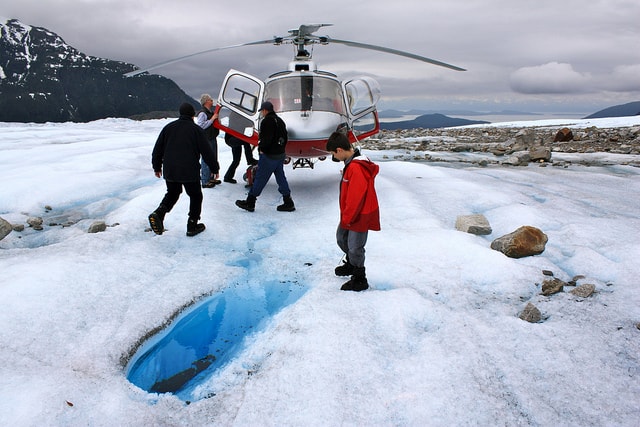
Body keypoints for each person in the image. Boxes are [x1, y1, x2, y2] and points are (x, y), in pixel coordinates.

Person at [148, 103, 218, 237]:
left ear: (180, 114)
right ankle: (192, 225)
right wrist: (214, 168)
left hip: (170, 170)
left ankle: (159, 213)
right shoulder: (196, 130)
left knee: (173, 193)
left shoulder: (168, 128)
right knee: (196, 196)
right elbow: (207, 152)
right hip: (189, 171)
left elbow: (157, 150)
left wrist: (157, 167)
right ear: (193, 115)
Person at [325, 131, 380, 291]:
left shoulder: (356, 167)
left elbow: (356, 197)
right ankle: (351, 264)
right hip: (351, 213)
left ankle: (359, 278)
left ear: (340, 150)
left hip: (359, 214)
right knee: (342, 238)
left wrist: (348, 217)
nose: (334, 157)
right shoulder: (351, 165)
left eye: (333, 153)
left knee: (355, 246)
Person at [235, 101, 295, 212]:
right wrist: (281, 150)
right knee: (281, 178)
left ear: (265, 110)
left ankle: (250, 202)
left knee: (260, 178)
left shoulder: (266, 121)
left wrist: (262, 149)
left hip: (269, 156)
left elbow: (266, 139)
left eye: (262, 111)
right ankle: (288, 202)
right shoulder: (280, 121)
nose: (261, 113)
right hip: (280, 155)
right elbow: (284, 138)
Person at [196, 94, 220, 188]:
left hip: (212, 137)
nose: (212, 101)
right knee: (206, 159)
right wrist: (212, 119)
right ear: (206, 101)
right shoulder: (203, 113)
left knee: (213, 158)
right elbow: (200, 126)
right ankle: (205, 181)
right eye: (210, 100)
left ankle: (211, 177)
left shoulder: (209, 112)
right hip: (206, 139)